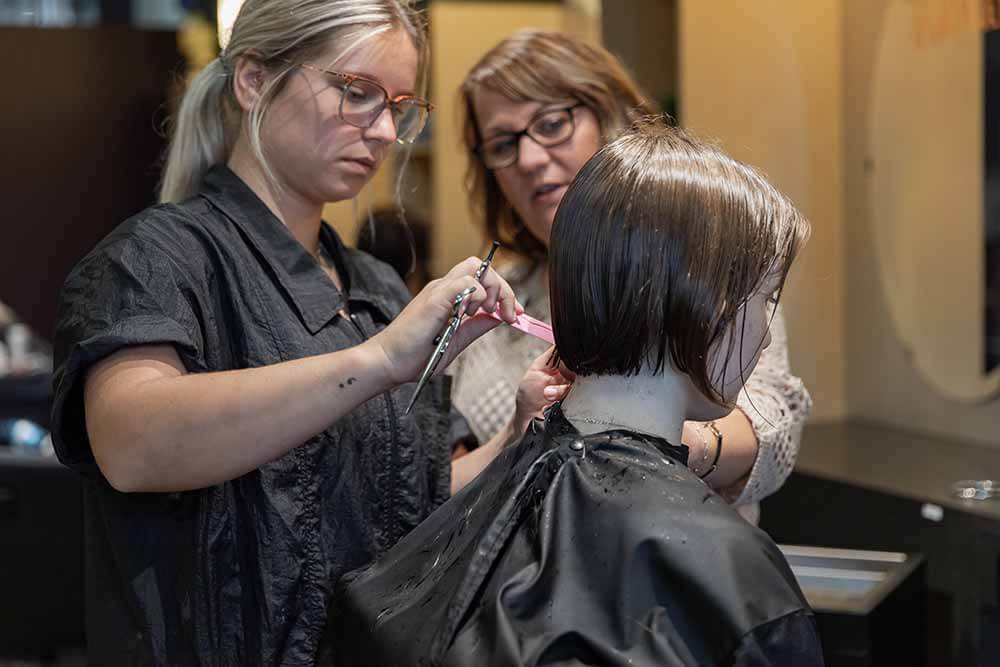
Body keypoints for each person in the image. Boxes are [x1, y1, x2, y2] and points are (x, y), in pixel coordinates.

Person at [49, 2, 568, 664]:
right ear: (254, 81)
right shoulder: (158, 259)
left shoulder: (376, 287)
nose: (383, 131)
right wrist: (378, 359)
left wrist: (516, 435)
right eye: (357, 94)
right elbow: (133, 443)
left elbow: (407, 500)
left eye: (400, 107)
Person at [331, 118, 822, 666]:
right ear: (707, 310)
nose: (765, 327)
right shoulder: (738, 576)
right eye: (765, 300)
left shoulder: (497, 503)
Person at [449, 30, 812, 522]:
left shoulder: (708, 267)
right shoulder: (493, 303)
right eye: (502, 144)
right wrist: (519, 436)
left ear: (607, 115)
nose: (531, 160)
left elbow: (773, 422)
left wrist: (659, 438)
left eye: (552, 124)